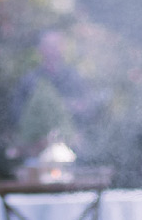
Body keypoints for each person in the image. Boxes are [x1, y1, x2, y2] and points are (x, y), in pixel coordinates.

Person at [9, 30, 102, 160]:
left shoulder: (75, 78)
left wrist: (76, 108)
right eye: (48, 45)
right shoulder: (30, 81)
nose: (53, 50)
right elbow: (17, 113)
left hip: (73, 149)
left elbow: (89, 110)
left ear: (63, 48)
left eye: (56, 45)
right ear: (40, 49)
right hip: (36, 150)